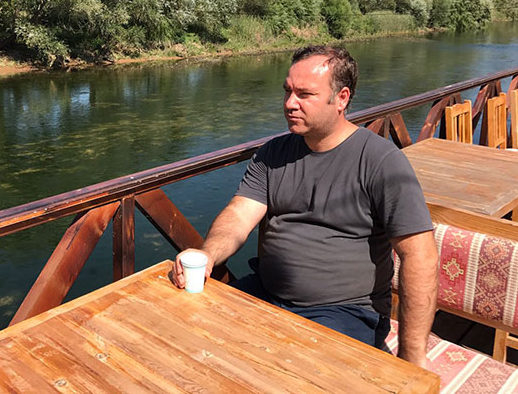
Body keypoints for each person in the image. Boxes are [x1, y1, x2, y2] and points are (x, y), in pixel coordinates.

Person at [172, 45, 438, 368]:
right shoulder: (273, 154)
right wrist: (208, 254)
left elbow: (420, 256)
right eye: (287, 91)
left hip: (343, 313)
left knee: (288, 374)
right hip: (265, 293)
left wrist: (412, 357)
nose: (289, 103)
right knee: (184, 335)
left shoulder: (381, 162)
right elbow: (239, 215)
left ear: (341, 98)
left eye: (304, 94)